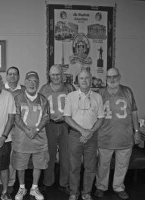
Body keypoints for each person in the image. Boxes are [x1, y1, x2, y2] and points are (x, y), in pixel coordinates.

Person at [94, 68, 140, 200]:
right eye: (109, 77)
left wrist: (137, 132)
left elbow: (135, 113)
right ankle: (101, 187)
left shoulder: (127, 91)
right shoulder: (100, 93)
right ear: (105, 79)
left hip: (125, 136)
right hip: (105, 136)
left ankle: (119, 187)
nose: (112, 79)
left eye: (115, 76)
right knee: (102, 165)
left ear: (119, 77)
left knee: (122, 165)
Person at [63, 69, 104, 200]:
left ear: (91, 80)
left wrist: (89, 132)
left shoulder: (97, 97)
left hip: (92, 136)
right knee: (74, 167)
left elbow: (101, 118)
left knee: (90, 167)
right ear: (77, 81)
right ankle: (74, 193)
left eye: (87, 78)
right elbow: (67, 118)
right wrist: (82, 131)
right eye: (81, 78)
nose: (84, 80)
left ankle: (86, 193)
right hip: (75, 136)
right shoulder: (71, 96)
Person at [12, 71, 50, 200]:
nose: (32, 83)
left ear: (38, 83)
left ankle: (34, 188)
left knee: (38, 164)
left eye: (35, 81)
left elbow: (46, 118)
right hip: (22, 138)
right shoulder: (18, 98)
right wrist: (27, 130)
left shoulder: (43, 100)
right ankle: (22, 188)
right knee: (20, 164)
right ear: (25, 82)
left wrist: (36, 129)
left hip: (39, 138)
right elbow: (16, 118)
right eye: (29, 81)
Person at [39, 65, 75, 194]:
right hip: (50, 126)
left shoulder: (70, 88)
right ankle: (48, 182)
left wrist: (65, 115)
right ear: (49, 75)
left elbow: (74, 106)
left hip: (66, 125)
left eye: (58, 74)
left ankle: (64, 183)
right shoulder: (44, 89)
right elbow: (40, 109)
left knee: (66, 157)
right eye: (53, 74)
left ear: (62, 75)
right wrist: (48, 117)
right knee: (49, 156)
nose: (55, 77)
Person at [0, 66, 25, 194]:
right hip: (0, 128)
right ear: (6, 76)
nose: (12, 76)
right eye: (10, 74)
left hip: (17, 129)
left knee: (11, 157)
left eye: (15, 74)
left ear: (18, 76)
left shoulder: (23, 90)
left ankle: (10, 183)